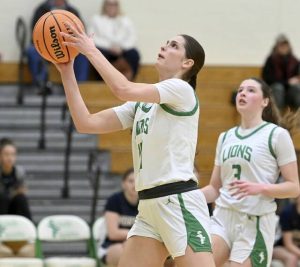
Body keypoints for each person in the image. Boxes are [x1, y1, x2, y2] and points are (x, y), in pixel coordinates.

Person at [54, 19, 215, 267]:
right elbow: (86, 123)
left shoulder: (181, 90)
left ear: (187, 63)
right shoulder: (142, 104)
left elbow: (122, 88)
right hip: (149, 206)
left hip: (178, 201)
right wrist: (67, 71)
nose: (164, 46)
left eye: (173, 45)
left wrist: (90, 50)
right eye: (166, 42)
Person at [201, 77, 300, 267]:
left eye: (251, 90)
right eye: (240, 90)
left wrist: (261, 188)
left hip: (254, 222)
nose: (243, 93)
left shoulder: (276, 135)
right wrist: (186, 197)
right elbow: (214, 188)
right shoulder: (225, 137)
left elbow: (294, 188)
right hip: (222, 217)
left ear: (265, 101)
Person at [27, 0, 89, 90]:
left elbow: (81, 33)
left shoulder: (72, 11)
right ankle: (42, 85)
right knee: (31, 51)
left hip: (69, 47)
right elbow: (34, 31)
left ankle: (81, 88)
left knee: (83, 54)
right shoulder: (41, 9)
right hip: (46, 47)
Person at [88, 0, 140, 81]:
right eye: (109, 4)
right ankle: (102, 82)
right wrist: (109, 47)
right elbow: (92, 37)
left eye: (115, 4)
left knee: (134, 54)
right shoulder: (96, 19)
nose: (112, 7)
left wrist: (121, 48)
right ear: (104, 5)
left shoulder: (126, 20)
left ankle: (129, 82)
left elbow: (132, 38)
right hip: (105, 49)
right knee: (97, 54)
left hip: (122, 50)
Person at [0, 138, 34, 258]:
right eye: (6, 154)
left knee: (21, 198)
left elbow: (22, 191)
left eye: (13, 154)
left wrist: (14, 193)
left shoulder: (19, 172)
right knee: (3, 197)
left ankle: (30, 233)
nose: (10, 158)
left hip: (13, 208)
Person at [98, 168, 138, 266]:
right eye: (130, 181)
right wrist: (133, 238)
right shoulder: (114, 200)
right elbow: (113, 233)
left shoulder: (146, 202)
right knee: (125, 253)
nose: (134, 185)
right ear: (123, 184)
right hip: (111, 246)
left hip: (136, 244)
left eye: (137, 181)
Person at [262, 34, 300, 111]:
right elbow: (267, 78)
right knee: (278, 88)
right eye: (281, 46)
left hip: (290, 93)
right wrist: (287, 82)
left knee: (297, 88)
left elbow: (297, 76)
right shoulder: (270, 60)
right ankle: (277, 116)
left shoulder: (294, 61)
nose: (284, 48)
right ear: (277, 47)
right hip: (275, 91)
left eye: (285, 45)